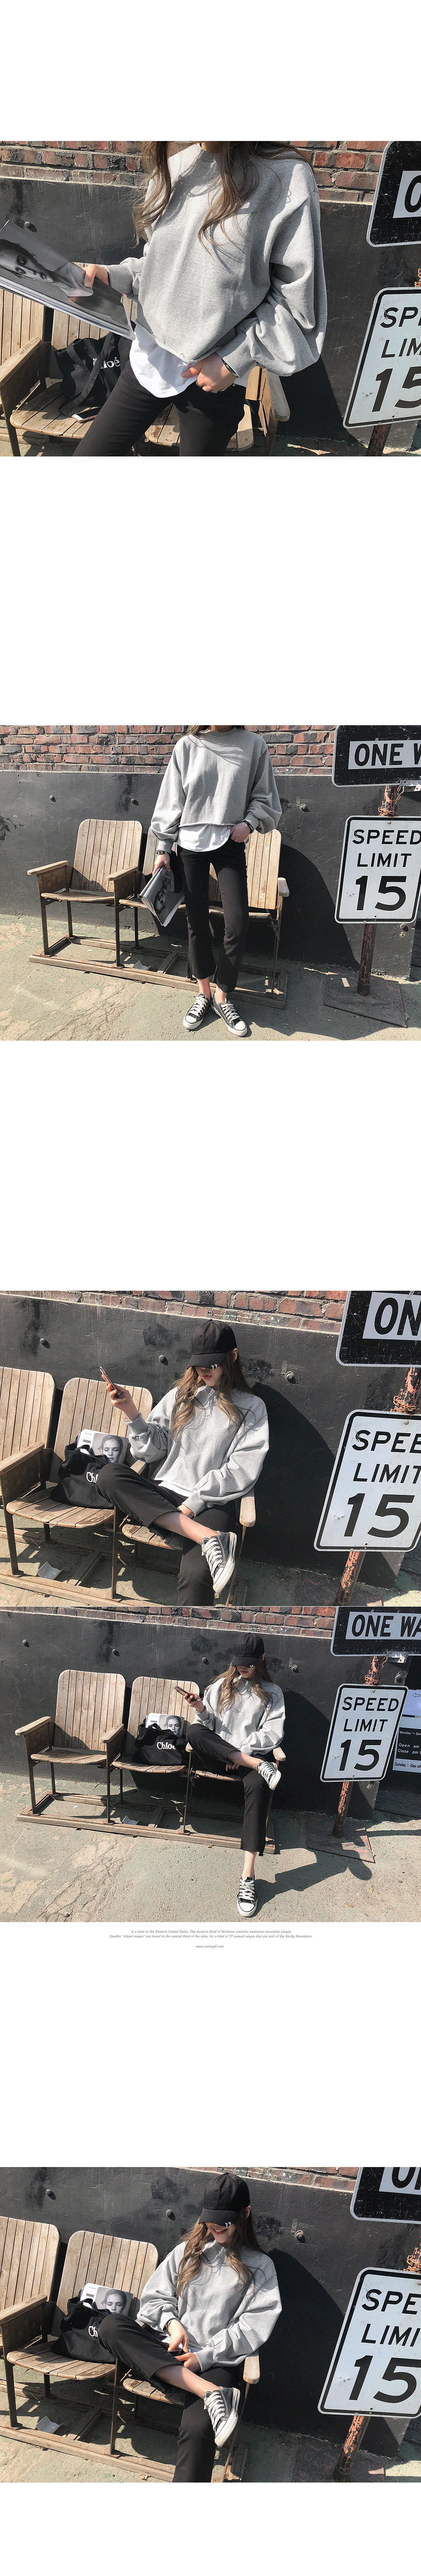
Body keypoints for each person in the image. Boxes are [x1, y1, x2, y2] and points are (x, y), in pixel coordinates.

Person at [75, 140, 327, 456]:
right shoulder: (174, 168)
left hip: (215, 375)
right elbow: (162, 268)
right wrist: (112, 276)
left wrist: (235, 359)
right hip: (150, 357)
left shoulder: (286, 177)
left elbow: (296, 301)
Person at [81, 2173, 282, 2479]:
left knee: (198, 2429)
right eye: (211, 2218)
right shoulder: (188, 2252)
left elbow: (252, 2327)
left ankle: (207, 2390)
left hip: (215, 2361)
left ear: (246, 2214)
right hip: (168, 2352)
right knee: (111, 2326)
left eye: (225, 2221)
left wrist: (203, 2358)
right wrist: (173, 2324)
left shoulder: (261, 2268)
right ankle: (211, 2393)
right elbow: (154, 2299)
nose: (216, 2227)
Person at [56, 1322, 269, 1603]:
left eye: (212, 1364)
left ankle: (192, 1625)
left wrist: (192, 1506)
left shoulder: (252, 1408)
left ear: (233, 1356)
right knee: (109, 1475)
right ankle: (208, 1538)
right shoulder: (182, 1396)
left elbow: (241, 1469)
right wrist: (131, 1412)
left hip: (211, 1502)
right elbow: (151, 1453)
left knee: (196, 1578)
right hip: (164, 1494)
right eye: (199, 1364)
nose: (204, 1371)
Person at [147, 724, 282, 1038]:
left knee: (238, 922)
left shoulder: (253, 744)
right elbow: (172, 798)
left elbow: (265, 794)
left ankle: (223, 996)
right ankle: (204, 994)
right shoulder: (188, 745)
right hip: (189, 844)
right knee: (196, 922)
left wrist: (250, 823)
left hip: (230, 842)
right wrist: (163, 849)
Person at [185, 1636, 285, 1917]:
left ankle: (248, 1877)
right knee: (193, 1731)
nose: (244, 1668)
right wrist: (200, 1708)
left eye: (249, 1664)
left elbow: (272, 1732)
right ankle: (257, 1765)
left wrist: (242, 1753)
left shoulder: (273, 1693)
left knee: (260, 1786)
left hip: (247, 1760)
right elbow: (206, 1727)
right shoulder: (221, 1686)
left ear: (261, 1660)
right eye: (240, 1663)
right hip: (223, 1758)